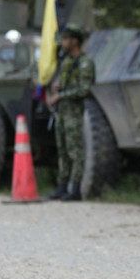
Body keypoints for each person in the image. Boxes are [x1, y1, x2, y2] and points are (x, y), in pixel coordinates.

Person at [45, 25, 95, 201]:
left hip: (73, 113)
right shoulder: (67, 62)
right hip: (62, 112)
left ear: (75, 41)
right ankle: (62, 186)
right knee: (63, 151)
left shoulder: (85, 63)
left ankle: (75, 189)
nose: (63, 43)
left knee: (75, 152)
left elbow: (85, 90)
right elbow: (64, 83)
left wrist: (61, 96)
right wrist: (58, 87)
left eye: (66, 39)